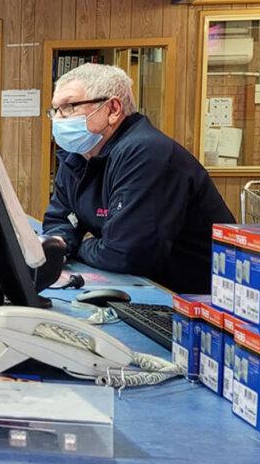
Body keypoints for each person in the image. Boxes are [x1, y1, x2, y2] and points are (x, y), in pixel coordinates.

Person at [42, 63, 233, 294]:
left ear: (112, 109)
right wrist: (61, 244)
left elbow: (125, 253)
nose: (58, 119)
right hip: (145, 287)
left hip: (197, 299)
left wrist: (77, 247)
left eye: (69, 107)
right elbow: (58, 220)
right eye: (55, 110)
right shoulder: (78, 155)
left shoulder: (146, 152)